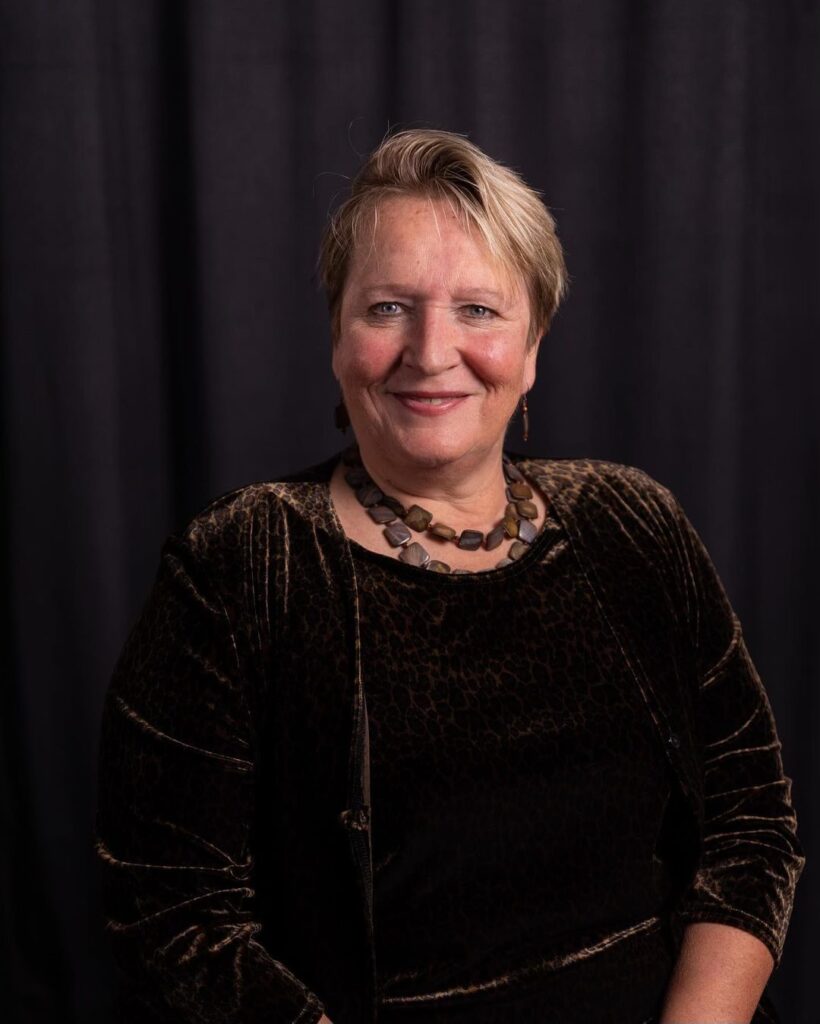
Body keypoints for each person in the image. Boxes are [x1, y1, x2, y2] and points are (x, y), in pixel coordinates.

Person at [95, 128, 805, 1024]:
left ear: (534, 342)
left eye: (478, 309)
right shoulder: (240, 562)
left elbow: (752, 825)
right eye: (388, 307)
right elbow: (173, 918)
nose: (431, 352)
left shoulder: (636, 523)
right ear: (337, 335)